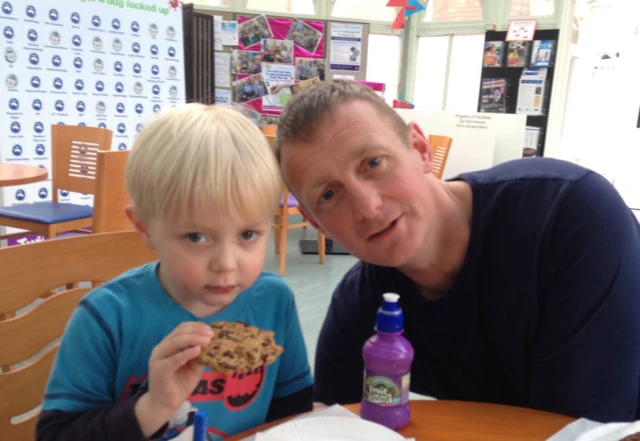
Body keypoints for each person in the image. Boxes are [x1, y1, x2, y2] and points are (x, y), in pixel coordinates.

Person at [274, 80, 640, 423]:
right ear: (314, 221)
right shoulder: (360, 310)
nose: (368, 207)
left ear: (419, 149)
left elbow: (584, 431)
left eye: (373, 163)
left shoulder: (567, 215)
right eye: (329, 195)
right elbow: (340, 424)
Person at [37, 104, 314, 441]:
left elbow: (292, 409)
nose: (226, 263)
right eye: (196, 237)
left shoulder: (274, 301)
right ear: (145, 228)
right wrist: (154, 405)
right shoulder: (107, 317)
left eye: (248, 234)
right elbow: (55, 436)